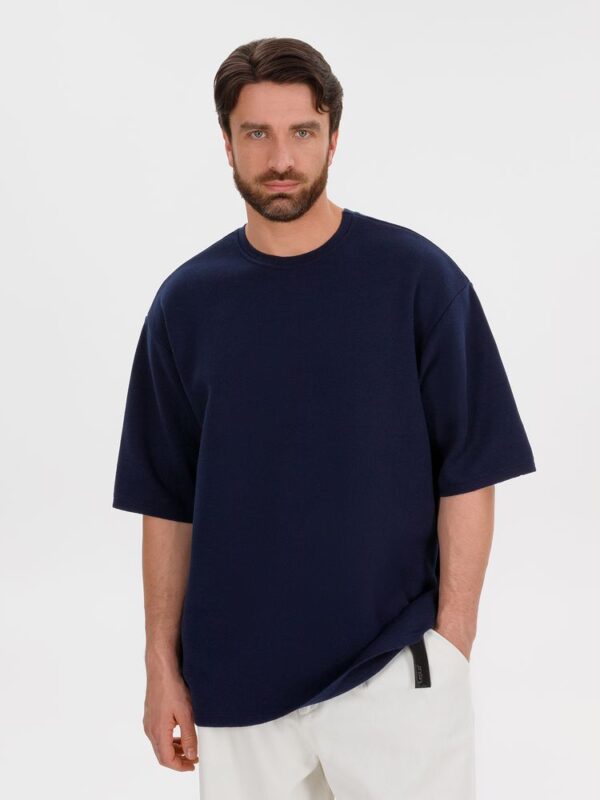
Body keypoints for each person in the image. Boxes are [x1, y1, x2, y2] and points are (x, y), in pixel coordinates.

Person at [112, 36, 536, 799]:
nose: (281, 157)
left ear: (333, 137)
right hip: (235, 691)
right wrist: (160, 665)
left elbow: (471, 470)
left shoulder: (417, 281)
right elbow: (166, 503)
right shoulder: (186, 305)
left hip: (392, 676)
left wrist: (451, 645)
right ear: (226, 143)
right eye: (257, 133)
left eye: (302, 131)